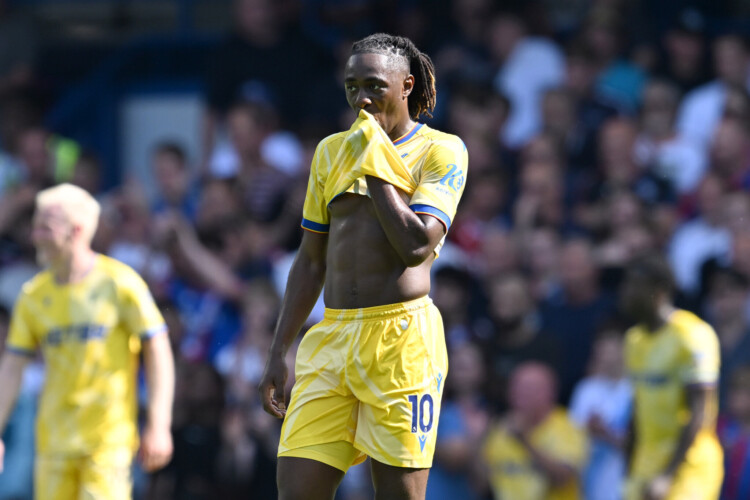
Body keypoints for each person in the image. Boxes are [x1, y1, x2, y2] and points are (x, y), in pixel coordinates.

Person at [258, 33, 468, 500]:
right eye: (352, 87)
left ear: (407, 85)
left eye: (374, 86)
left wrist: (374, 163)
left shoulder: (442, 149)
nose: (362, 99)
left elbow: (416, 246)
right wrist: (278, 349)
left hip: (401, 343)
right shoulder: (331, 151)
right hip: (332, 337)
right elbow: (310, 260)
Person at [0, 183, 175, 499]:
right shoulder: (33, 296)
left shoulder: (119, 283)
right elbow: (12, 367)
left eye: (45, 228)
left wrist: (159, 424)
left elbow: (158, 349)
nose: (35, 236)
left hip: (107, 443)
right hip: (53, 444)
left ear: (76, 230)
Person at [621, 255, 723, 500]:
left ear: (660, 290)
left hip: (689, 467)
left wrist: (667, 475)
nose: (627, 292)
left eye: (636, 285)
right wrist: (629, 465)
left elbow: (700, 411)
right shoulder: (633, 340)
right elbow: (638, 407)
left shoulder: (692, 335)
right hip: (646, 464)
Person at [480, 362, 588, 500]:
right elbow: (482, 483)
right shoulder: (501, 427)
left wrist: (525, 442)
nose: (520, 393)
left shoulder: (569, 426)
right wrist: (477, 439)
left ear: (550, 392)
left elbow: (562, 478)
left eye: (529, 388)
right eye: (516, 386)